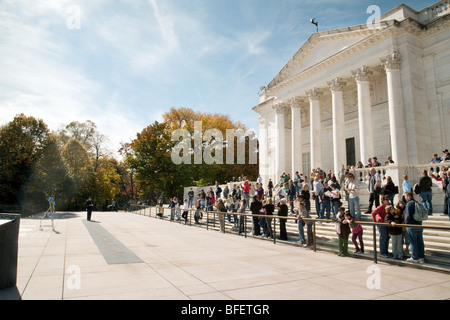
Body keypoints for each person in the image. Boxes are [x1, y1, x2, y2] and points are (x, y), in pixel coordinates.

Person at [404, 192, 425, 263]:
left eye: (405, 196)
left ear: (408, 196)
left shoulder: (409, 204)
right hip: (419, 224)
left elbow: (408, 215)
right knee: (420, 241)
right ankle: (421, 257)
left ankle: (414, 257)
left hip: (411, 225)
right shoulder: (416, 202)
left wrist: (406, 223)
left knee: (413, 241)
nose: (405, 198)